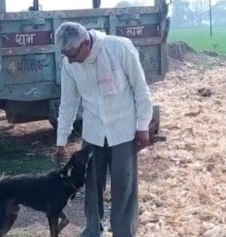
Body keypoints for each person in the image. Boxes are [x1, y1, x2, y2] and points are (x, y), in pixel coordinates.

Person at [53, 22, 153, 237]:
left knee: (123, 186)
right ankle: (92, 230)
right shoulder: (69, 64)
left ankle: (123, 232)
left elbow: (140, 88)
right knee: (91, 184)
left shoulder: (119, 48)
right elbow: (68, 103)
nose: (70, 60)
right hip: (93, 132)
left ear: (86, 43)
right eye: (66, 55)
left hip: (123, 130)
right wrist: (61, 140)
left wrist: (143, 126)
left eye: (73, 55)